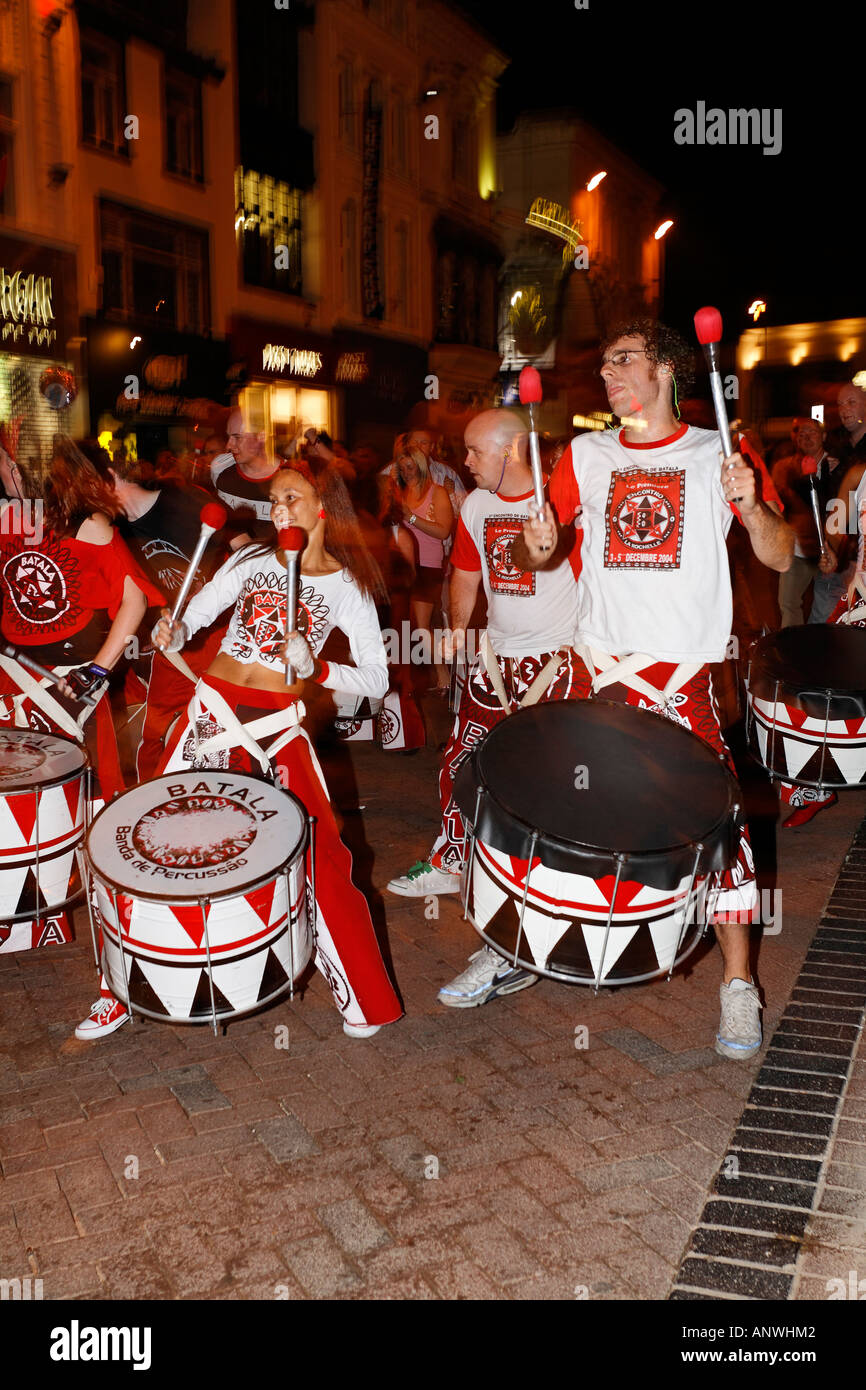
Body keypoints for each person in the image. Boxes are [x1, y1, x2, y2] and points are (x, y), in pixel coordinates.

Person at [520, 318, 794, 1060]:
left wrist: (754, 504)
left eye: (624, 361)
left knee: (717, 822)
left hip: (681, 674)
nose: (608, 374)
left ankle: (738, 984)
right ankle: (521, 941)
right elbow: (540, 549)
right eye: (605, 363)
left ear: (670, 371)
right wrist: (539, 549)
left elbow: (777, 554)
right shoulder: (584, 451)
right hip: (599, 662)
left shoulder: (720, 452)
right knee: (564, 802)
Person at [154, 461, 402, 1038]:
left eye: (292, 495)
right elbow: (199, 610)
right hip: (213, 713)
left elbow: (377, 678)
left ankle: (366, 1001)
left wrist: (317, 666)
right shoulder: (248, 560)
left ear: (323, 507)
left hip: (275, 728)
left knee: (324, 857)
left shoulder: (347, 586)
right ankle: (127, 982)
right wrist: (176, 628)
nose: (279, 506)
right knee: (160, 837)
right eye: (272, 497)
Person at [386, 408, 580, 1008]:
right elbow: (466, 572)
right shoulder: (473, 505)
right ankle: (452, 854)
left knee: (541, 783)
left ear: (511, 451)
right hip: (495, 657)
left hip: (557, 661)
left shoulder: (561, 507)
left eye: (473, 452)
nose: (463, 462)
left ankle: (544, 894)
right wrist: (456, 633)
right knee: (462, 757)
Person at [0, 437, 162, 1038]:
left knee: (96, 829)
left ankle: (117, 984)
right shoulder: (8, 522)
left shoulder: (88, 525)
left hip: (68, 692)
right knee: (26, 819)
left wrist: (98, 669)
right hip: (13, 689)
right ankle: (30, 920)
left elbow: (136, 599)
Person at [108, 455, 229, 780]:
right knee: (152, 737)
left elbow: (242, 549)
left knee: (218, 726)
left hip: (207, 640)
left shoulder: (185, 500)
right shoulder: (109, 525)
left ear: (109, 476)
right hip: (158, 649)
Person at [381, 445, 453, 693]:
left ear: (421, 466)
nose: (406, 472)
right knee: (405, 623)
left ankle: (443, 675)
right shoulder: (399, 493)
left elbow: (444, 531)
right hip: (402, 563)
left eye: (410, 467)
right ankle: (409, 678)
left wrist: (411, 517)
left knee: (421, 625)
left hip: (428, 565)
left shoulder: (437, 493)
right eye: (401, 468)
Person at [771, 418, 841, 625]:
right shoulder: (787, 468)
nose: (806, 438)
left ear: (824, 436)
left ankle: (823, 650)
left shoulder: (836, 466)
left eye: (812, 432)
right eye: (802, 434)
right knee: (788, 603)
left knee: (826, 608)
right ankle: (793, 651)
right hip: (798, 549)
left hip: (831, 550)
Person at [212, 405, 281, 548]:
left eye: (237, 437)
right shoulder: (219, 467)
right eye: (228, 436)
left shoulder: (289, 477)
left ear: (262, 436)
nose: (229, 445)